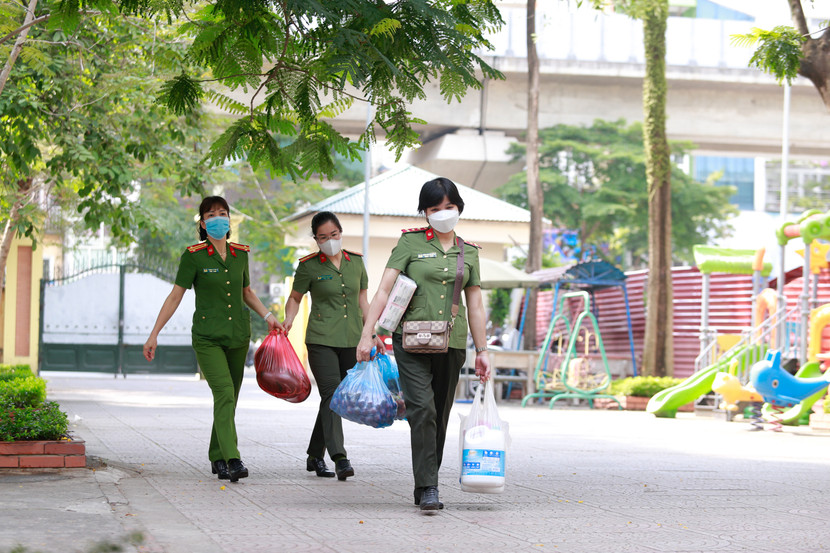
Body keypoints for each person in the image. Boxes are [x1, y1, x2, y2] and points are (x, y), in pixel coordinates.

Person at [356, 177, 491, 511]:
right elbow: (385, 290)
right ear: (425, 212)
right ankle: (429, 486)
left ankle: (425, 481)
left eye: (449, 206)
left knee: (440, 415)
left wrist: (483, 349)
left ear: (459, 207)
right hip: (410, 341)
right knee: (423, 410)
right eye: (435, 208)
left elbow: (475, 305)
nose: (443, 213)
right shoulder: (410, 244)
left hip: (452, 342)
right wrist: (367, 332)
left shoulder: (469, 252)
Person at [143, 196, 281, 483]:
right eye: (211, 214)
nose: (218, 218)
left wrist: (269, 316)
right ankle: (233, 459)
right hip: (207, 338)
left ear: (229, 219)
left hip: (237, 335)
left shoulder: (240, 254)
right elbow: (175, 296)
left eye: (223, 213)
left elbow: (247, 292)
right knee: (224, 393)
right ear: (203, 223)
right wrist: (154, 334)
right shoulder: (193, 256)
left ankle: (216, 456)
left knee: (229, 399)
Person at [282, 211, 385, 481]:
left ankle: (315, 454)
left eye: (334, 235)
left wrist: (372, 334)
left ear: (341, 233)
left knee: (339, 399)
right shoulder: (309, 266)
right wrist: (288, 320)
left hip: (352, 342)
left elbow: (364, 302)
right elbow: (294, 298)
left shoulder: (357, 263)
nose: (330, 241)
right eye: (323, 237)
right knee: (331, 395)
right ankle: (340, 457)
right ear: (316, 239)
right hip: (321, 340)